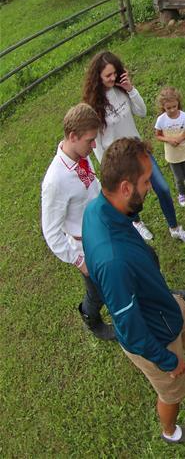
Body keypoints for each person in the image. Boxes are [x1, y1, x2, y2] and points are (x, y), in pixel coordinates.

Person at [82, 137, 185, 444]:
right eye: (147, 181)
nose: (151, 186)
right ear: (126, 187)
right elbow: (129, 327)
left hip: (162, 304)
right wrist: (166, 360)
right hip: (155, 336)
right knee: (172, 392)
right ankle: (170, 432)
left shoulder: (98, 208)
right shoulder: (114, 262)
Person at [83, 51, 185, 244]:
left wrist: (130, 89)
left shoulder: (122, 89)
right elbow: (96, 143)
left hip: (138, 150)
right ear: (97, 77)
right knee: (132, 199)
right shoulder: (93, 105)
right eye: (107, 76)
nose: (112, 78)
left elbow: (142, 112)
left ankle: (175, 228)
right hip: (118, 160)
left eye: (114, 74)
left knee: (163, 188)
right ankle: (137, 223)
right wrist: (106, 166)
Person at [41, 103, 115, 341]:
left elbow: (92, 190)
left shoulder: (81, 154)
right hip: (87, 246)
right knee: (98, 293)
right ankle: (90, 318)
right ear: (73, 137)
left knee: (138, 259)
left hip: (107, 228)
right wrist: (78, 259)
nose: (94, 145)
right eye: (90, 140)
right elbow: (51, 233)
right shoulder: (55, 181)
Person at [154, 87, 185, 209]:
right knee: (178, 177)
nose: (172, 110)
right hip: (172, 154)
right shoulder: (161, 120)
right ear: (163, 107)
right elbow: (158, 135)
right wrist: (169, 139)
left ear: (178, 103)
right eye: (169, 108)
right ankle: (182, 194)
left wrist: (181, 138)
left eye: (175, 106)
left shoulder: (184, 117)